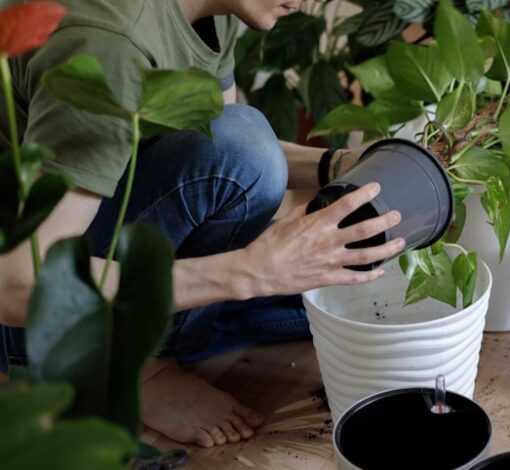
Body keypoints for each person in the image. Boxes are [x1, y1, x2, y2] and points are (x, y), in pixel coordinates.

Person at [0, 0, 405, 448]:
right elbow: (17, 285)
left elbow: (214, 146)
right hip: (28, 318)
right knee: (286, 275)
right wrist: (253, 271)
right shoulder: (111, 43)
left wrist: (338, 164)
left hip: (91, 241)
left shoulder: (213, 8)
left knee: (334, 294)